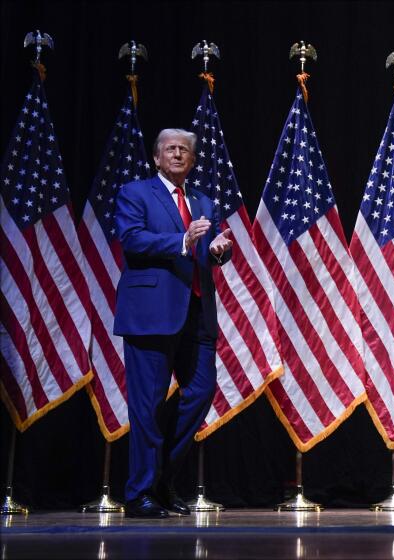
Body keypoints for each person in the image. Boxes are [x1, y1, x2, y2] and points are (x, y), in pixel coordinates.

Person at [113, 128, 234, 518]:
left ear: (193, 160)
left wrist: (217, 251)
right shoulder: (136, 193)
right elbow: (131, 238)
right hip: (151, 312)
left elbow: (206, 246)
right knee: (146, 407)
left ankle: (160, 481)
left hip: (197, 314)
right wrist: (181, 241)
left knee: (200, 393)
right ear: (156, 157)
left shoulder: (203, 201)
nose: (178, 154)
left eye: (185, 150)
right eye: (170, 149)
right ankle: (140, 493)